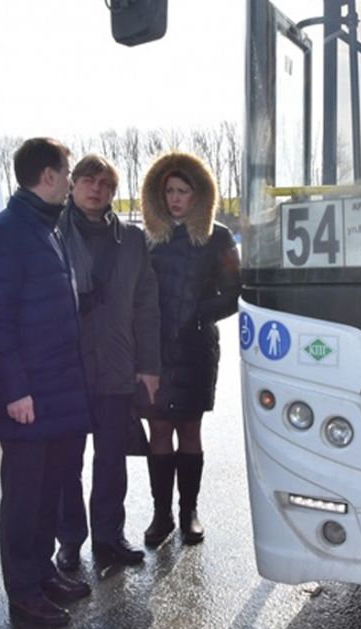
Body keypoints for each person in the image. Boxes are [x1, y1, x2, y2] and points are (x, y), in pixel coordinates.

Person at [0, 137, 93, 627]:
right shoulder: (8, 233)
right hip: (30, 394)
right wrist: (16, 390)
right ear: (48, 176)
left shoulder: (48, 227)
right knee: (24, 498)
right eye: (66, 173)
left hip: (61, 389)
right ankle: (23, 592)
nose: (69, 180)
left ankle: (42, 572)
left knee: (50, 491)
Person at [55, 154, 161, 571]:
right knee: (67, 462)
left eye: (105, 184)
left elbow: (147, 305)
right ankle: (69, 540)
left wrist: (149, 365)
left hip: (118, 365)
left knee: (112, 459)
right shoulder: (53, 232)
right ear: (72, 184)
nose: (96, 189)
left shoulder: (132, 239)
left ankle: (109, 535)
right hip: (67, 367)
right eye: (88, 181)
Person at [138, 151, 240, 546]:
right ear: (158, 195)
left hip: (197, 348)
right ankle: (160, 515)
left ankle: (189, 512)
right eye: (169, 191)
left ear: (199, 195)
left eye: (183, 191)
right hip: (153, 351)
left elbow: (234, 292)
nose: (176, 199)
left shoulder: (218, 237)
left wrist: (198, 313)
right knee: (159, 429)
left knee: (190, 430)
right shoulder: (146, 239)